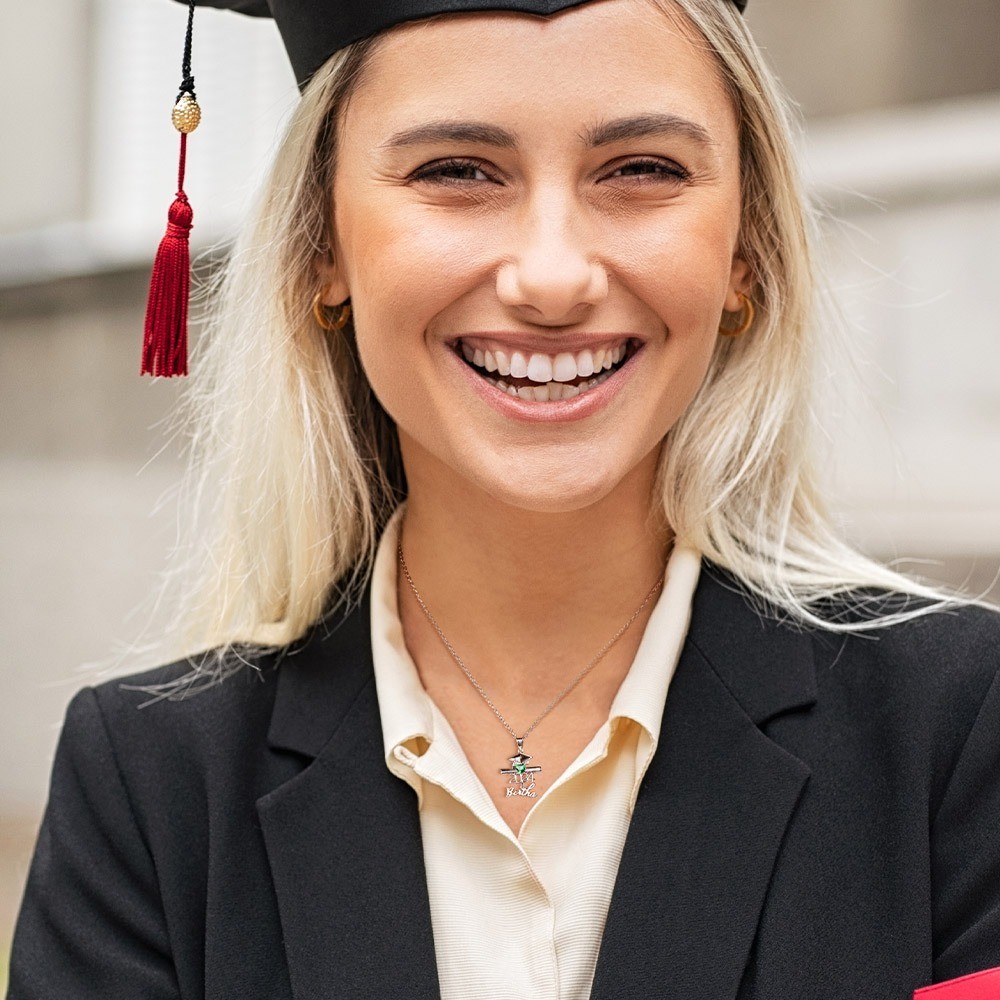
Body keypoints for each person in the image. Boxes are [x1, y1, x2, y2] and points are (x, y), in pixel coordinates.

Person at [7, 0, 1000, 997]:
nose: (552, 276)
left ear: (744, 246)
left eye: (641, 170)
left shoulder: (953, 735)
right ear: (324, 245)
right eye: (456, 173)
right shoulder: (155, 787)